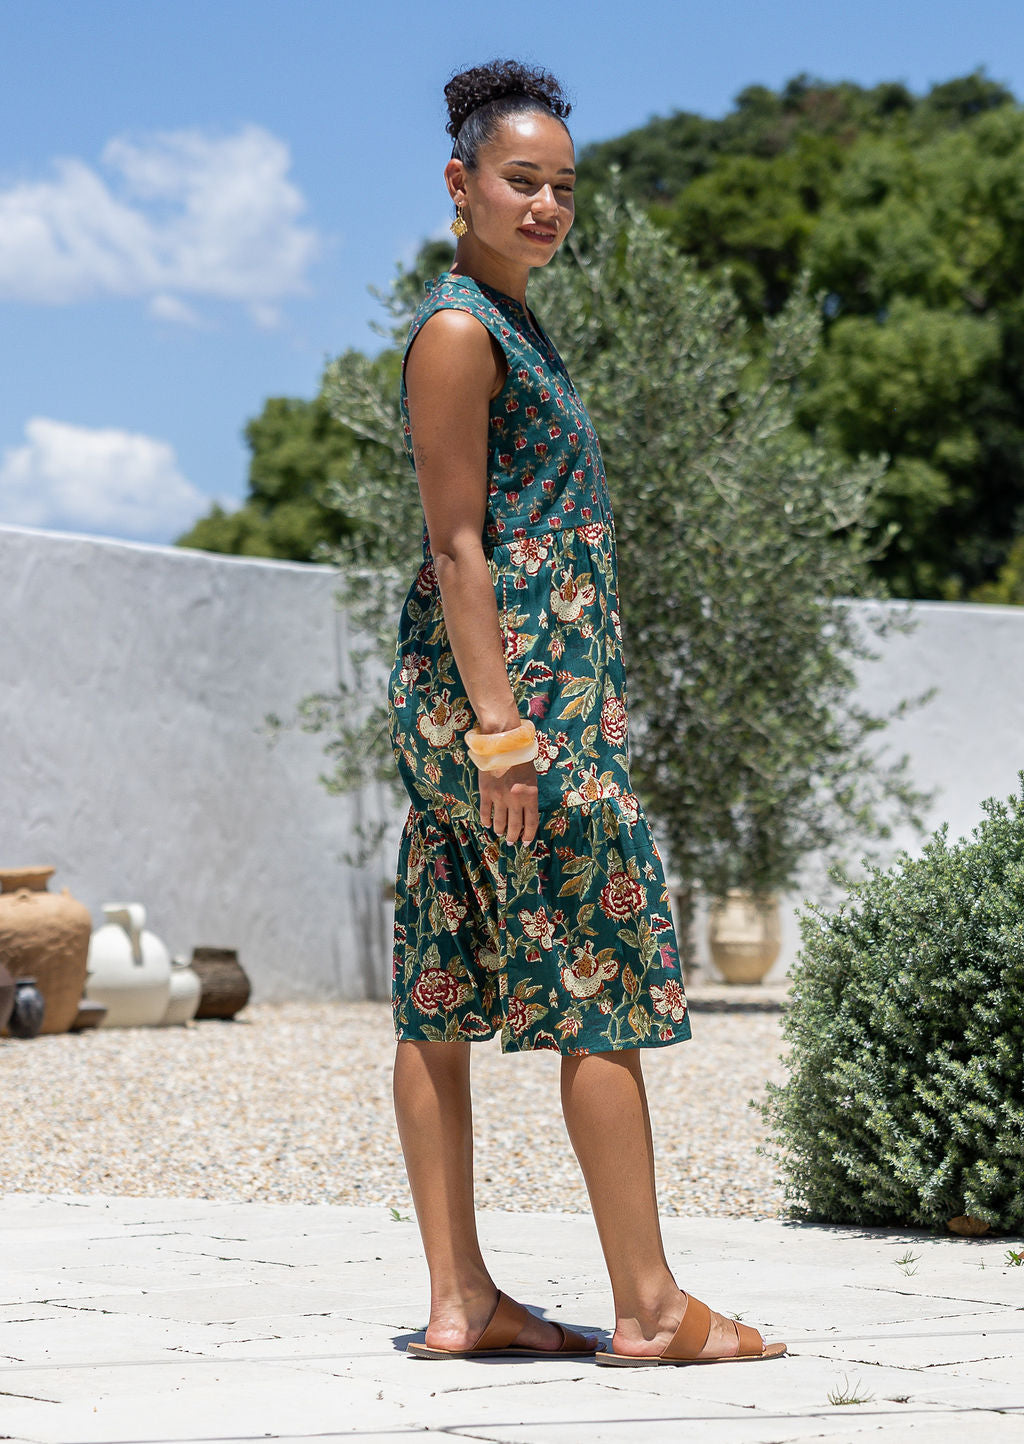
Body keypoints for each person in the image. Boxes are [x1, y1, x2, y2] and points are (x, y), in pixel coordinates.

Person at [387, 58, 786, 1368]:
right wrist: (504, 731)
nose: (548, 205)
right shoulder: (461, 333)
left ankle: (463, 1302)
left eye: (564, 186)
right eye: (523, 181)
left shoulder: (506, 322)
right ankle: (652, 1308)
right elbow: (457, 545)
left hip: (493, 698)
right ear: (461, 183)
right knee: (604, 978)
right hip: (522, 707)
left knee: (442, 979)